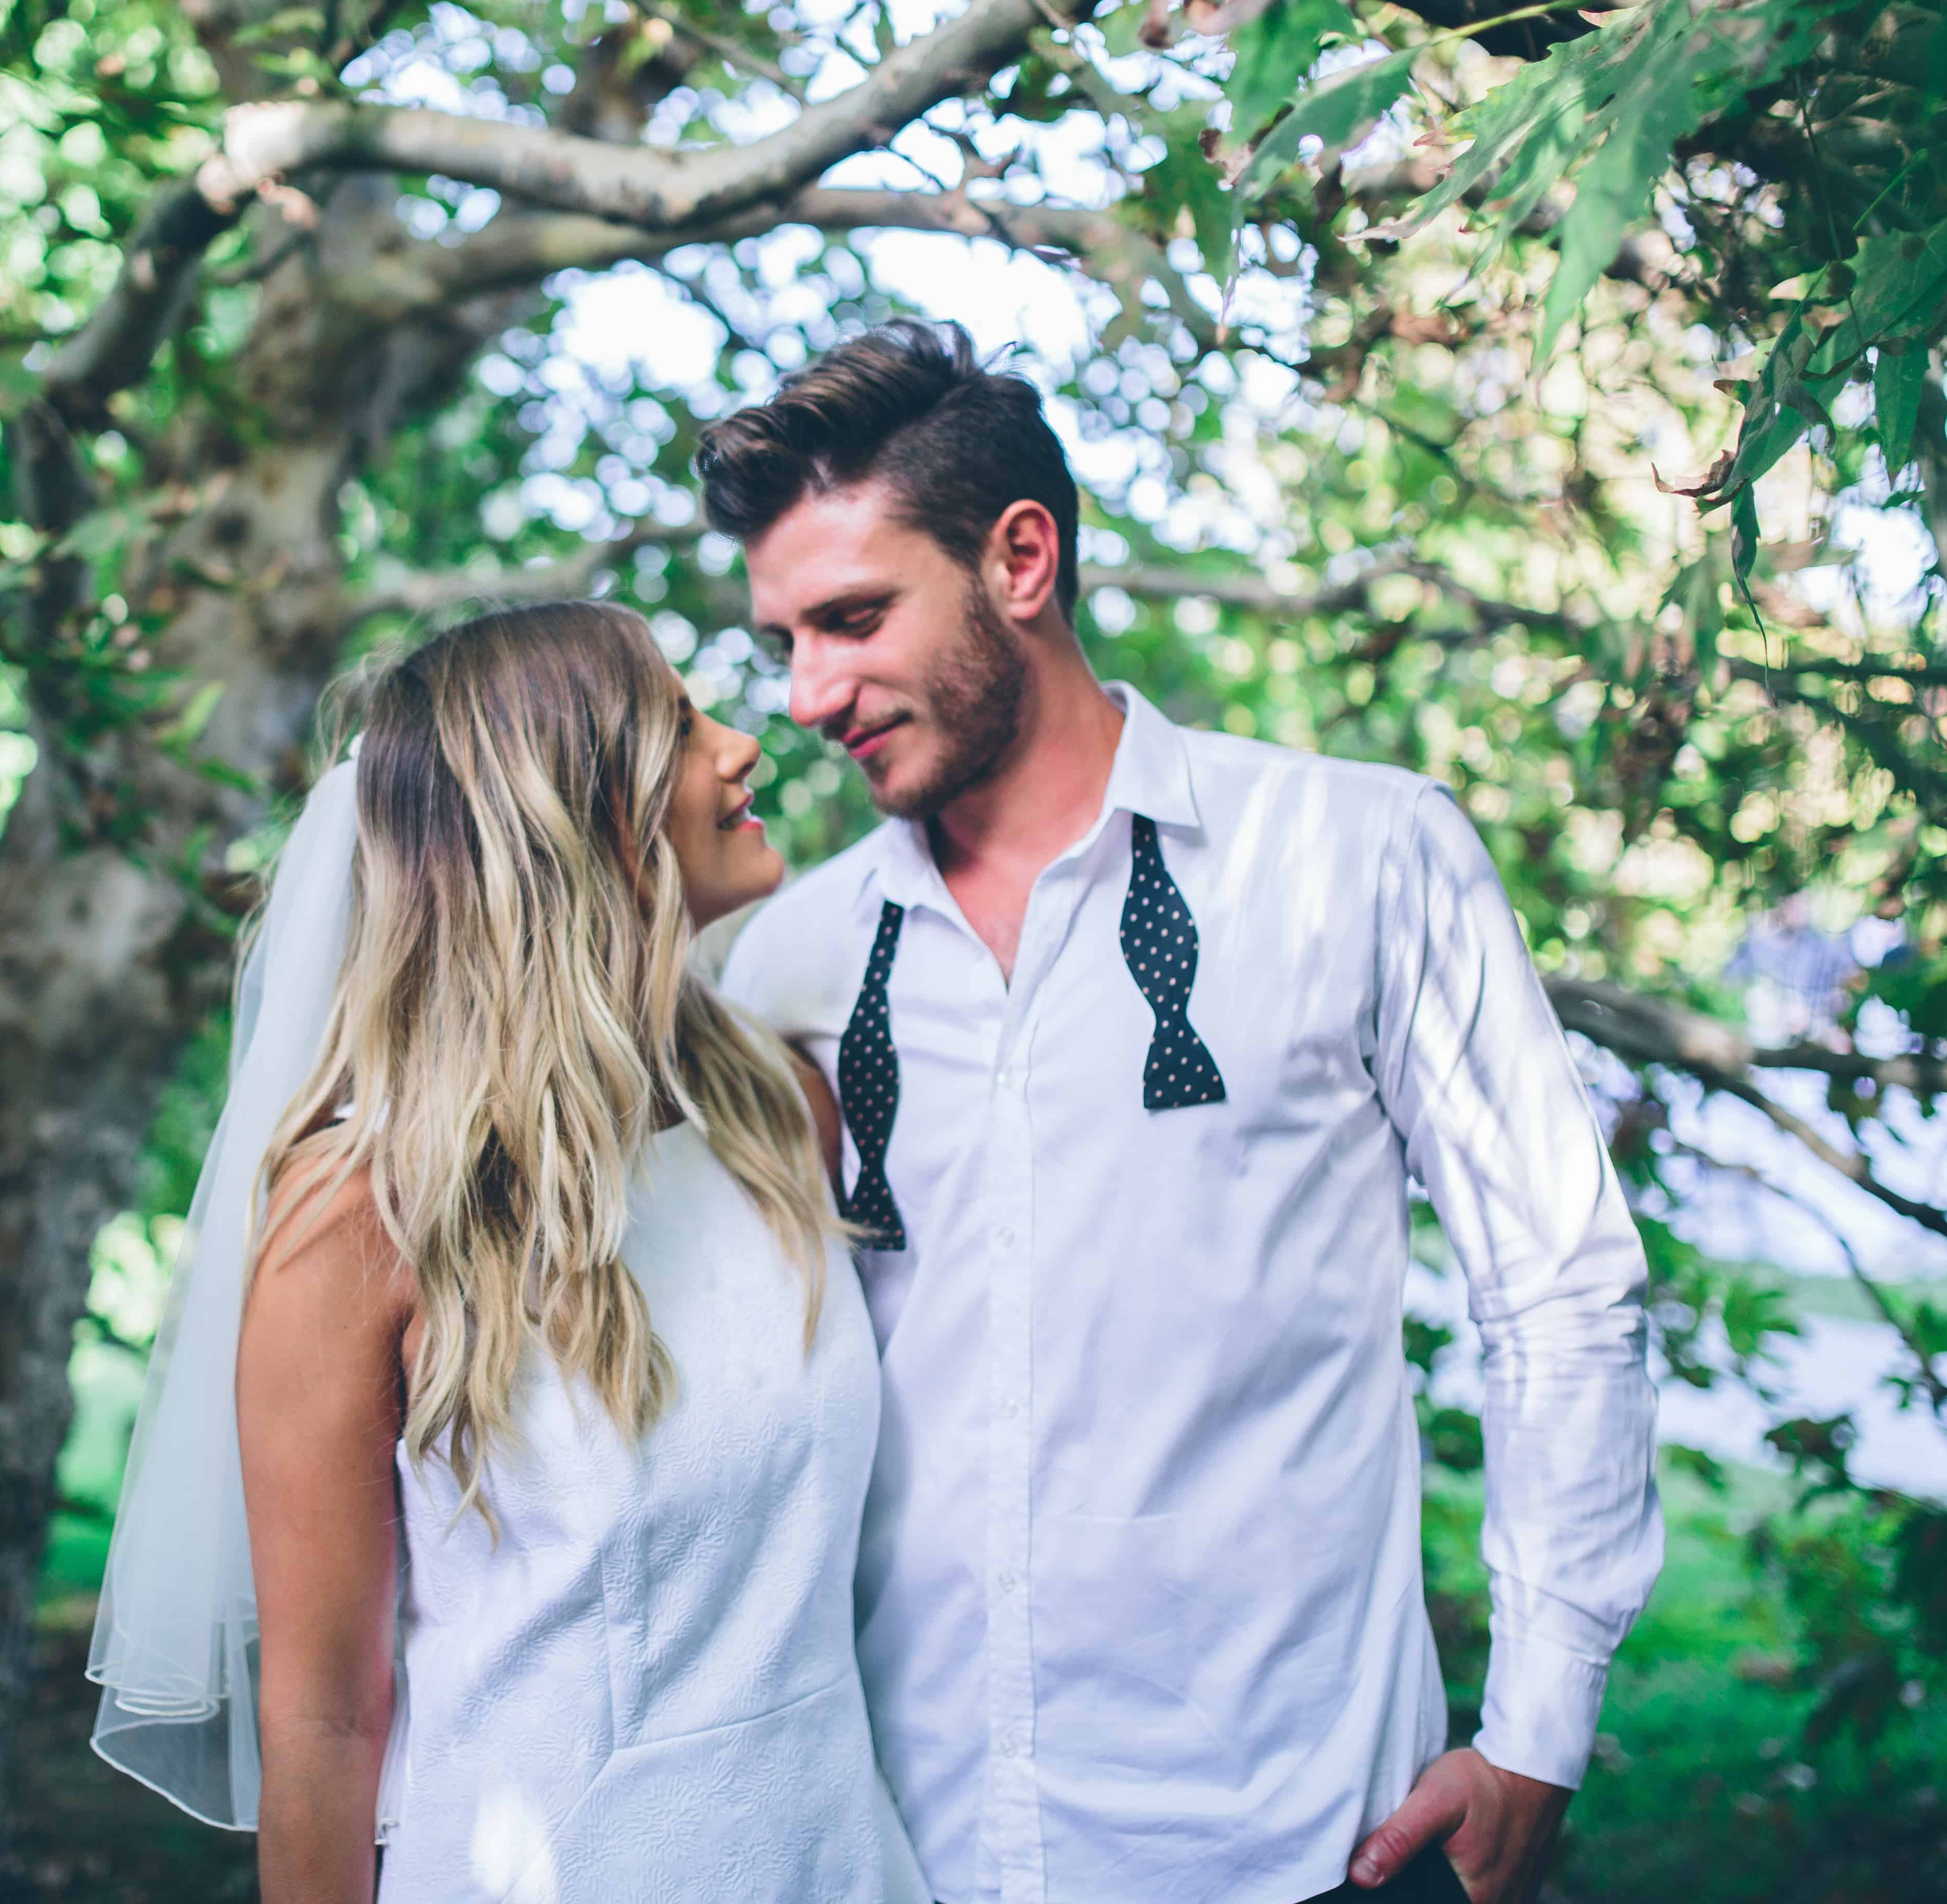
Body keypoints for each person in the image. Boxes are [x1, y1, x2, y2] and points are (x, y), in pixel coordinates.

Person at [704, 323, 1662, 1904]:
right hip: (909, 1850)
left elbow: (1559, 1289)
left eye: (855, 619)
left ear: (1022, 560)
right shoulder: (792, 958)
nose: (810, 693)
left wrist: (1538, 1732)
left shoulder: (1359, 859)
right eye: (785, 640)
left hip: (1293, 1845)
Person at [86, 601, 929, 1903]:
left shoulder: (779, 1117)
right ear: (566, 818)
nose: (744, 745)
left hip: (838, 1862)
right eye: (679, 729)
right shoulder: (360, 1221)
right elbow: (324, 1721)